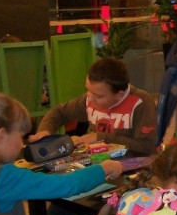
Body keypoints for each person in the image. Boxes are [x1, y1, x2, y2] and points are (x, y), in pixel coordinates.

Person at [0, 93, 123, 215]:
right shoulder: (4, 176)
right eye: (19, 136)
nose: (21, 144)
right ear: (2, 135)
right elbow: (68, 185)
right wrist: (104, 168)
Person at [29, 57, 157, 156]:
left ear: (119, 95)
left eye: (98, 96)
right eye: (88, 90)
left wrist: (100, 138)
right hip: (100, 162)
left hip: (132, 167)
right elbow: (59, 112)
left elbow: (146, 147)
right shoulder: (90, 99)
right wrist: (44, 131)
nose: (90, 98)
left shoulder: (141, 103)